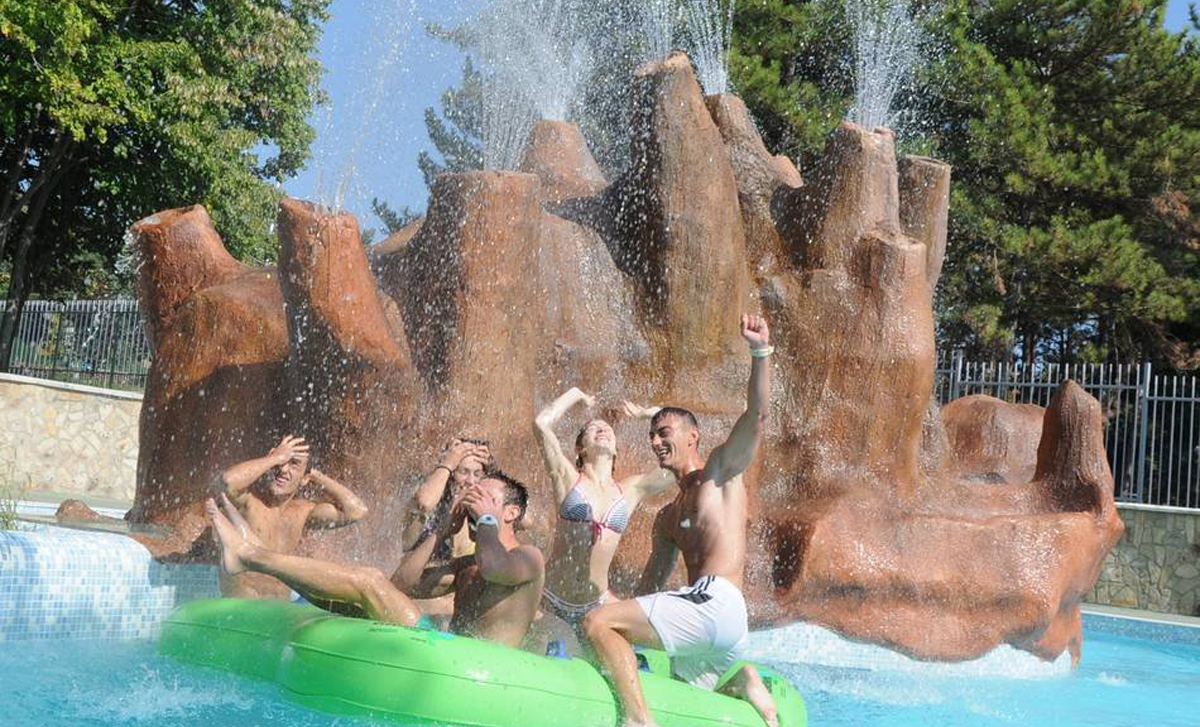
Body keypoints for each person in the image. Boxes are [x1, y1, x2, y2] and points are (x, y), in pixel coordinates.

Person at [582, 314, 780, 727]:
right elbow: (649, 589)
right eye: (652, 435)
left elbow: (758, 416)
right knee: (687, 707)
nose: (656, 441)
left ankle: (637, 719)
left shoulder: (720, 473)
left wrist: (760, 350)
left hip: (717, 601)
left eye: (665, 431)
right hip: (715, 629)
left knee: (597, 624)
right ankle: (740, 681)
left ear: (693, 436)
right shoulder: (667, 519)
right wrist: (603, 597)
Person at [206, 471, 545, 648]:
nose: (474, 499)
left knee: (368, 582)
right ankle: (253, 555)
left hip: (482, 666)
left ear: (511, 512)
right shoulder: (468, 564)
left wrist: (486, 519)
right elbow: (402, 584)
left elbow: (495, 568)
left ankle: (250, 555)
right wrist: (440, 530)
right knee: (361, 596)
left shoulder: (528, 558)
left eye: (485, 496)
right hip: (448, 651)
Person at [532, 388, 675, 646]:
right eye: (592, 428)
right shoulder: (567, 478)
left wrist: (651, 416)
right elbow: (541, 424)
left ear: (616, 450)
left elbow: (678, 464)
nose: (602, 429)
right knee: (566, 645)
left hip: (598, 604)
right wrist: (576, 394)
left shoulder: (630, 490)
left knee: (661, 635)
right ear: (580, 449)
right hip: (551, 599)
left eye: (608, 429)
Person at [217, 434, 369, 598]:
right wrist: (274, 458)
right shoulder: (248, 501)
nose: (283, 470)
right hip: (240, 608)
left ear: (304, 478)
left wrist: (316, 476)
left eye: (294, 464)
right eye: (282, 462)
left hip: (279, 610)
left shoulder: (303, 512)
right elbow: (228, 482)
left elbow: (357, 511)